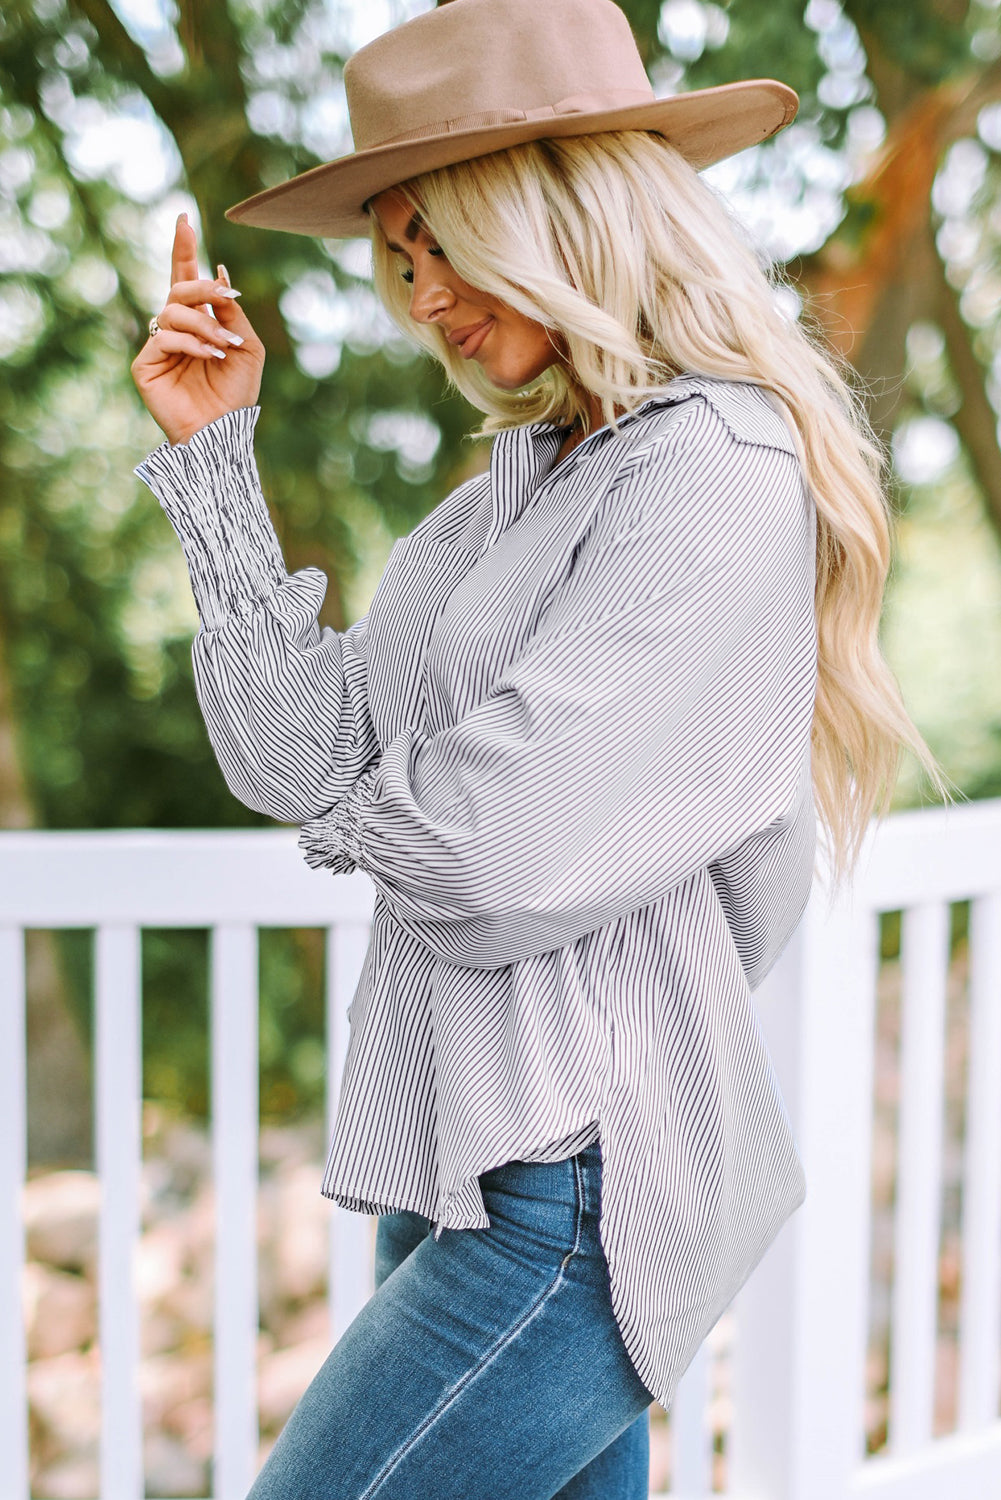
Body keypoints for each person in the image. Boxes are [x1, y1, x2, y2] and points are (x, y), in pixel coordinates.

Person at [131, 1, 939, 1495]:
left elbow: (494, 857)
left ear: (560, 208)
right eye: (397, 254)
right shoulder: (515, 489)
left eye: (444, 238)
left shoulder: (713, 470)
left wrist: (357, 802)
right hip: (462, 1167)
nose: (420, 294)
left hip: (571, 1196)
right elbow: (287, 750)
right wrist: (212, 469)